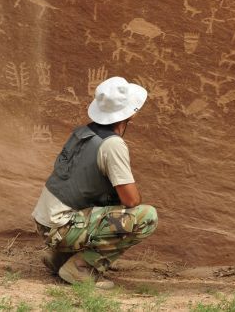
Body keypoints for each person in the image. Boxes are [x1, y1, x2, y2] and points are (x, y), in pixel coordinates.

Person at [32, 76, 158, 289]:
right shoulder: (112, 144)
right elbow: (131, 200)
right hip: (62, 228)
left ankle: (59, 258)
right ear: (131, 114)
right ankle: (81, 267)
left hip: (45, 223)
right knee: (145, 217)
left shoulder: (82, 132)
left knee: (105, 206)